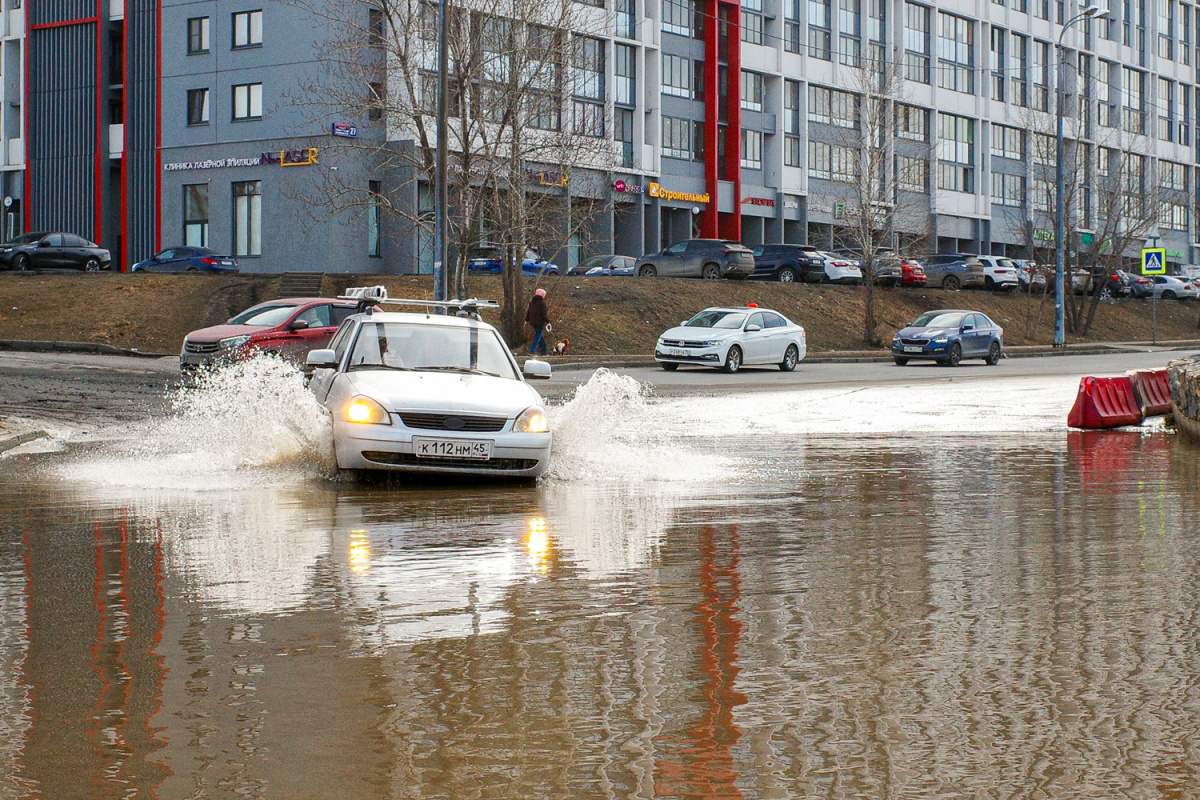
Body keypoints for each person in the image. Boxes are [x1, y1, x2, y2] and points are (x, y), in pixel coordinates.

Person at [524, 288, 551, 356]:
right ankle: (532, 350)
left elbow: (528, 312)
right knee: (537, 336)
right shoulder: (542, 303)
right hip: (539, 322)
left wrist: (526, 320)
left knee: (540, 336)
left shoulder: (532, 303)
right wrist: (548, 322)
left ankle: (544, 351)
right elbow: (544, 314)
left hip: (533, 322)